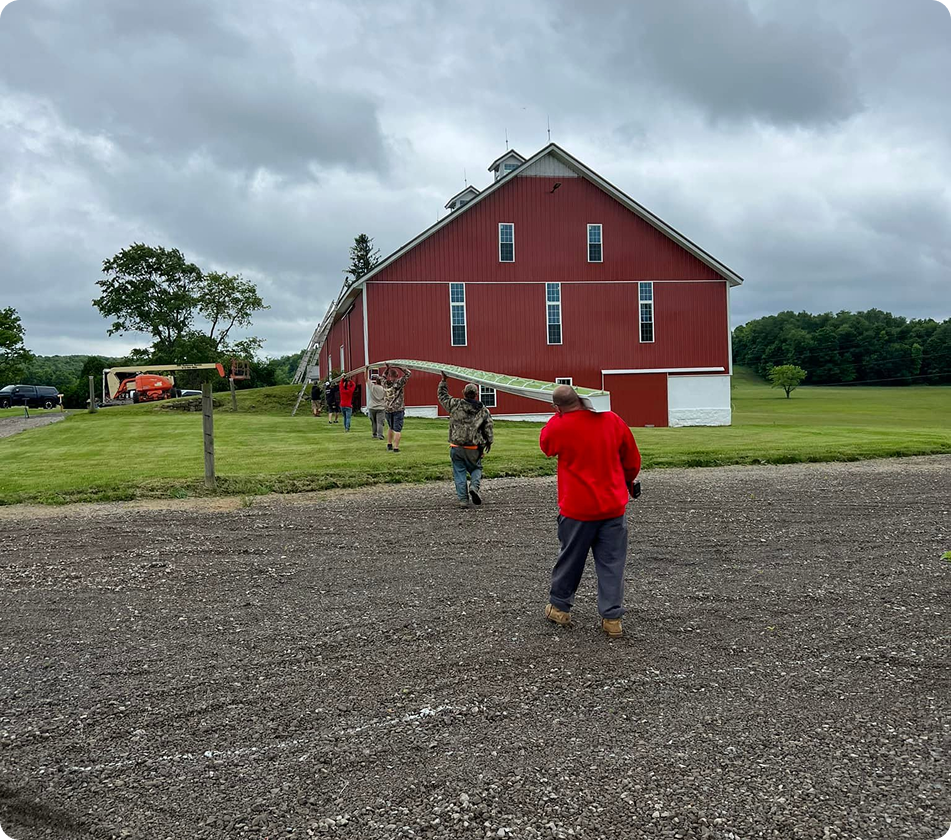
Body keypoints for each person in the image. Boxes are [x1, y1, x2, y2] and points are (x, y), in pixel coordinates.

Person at [539, 384, 641, 639]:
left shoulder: (559, 425)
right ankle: (612, 618)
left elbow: (546, 446)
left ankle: (560, 608)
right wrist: (626, 482)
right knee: (612, 563)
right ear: (583, 400)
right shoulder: (612, 420)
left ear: (558, 407)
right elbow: (632, 460)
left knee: (570, 558)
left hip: (577, 509)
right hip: (612, 506)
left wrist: (557, 415)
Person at [438, 372, 494, 508]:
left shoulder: (455, 405)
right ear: (476, 394)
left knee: (459, 472)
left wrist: (444, 381)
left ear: (463, 392)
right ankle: (474, 487)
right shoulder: (483, 410)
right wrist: (489, 442)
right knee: (476, 469)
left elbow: (442, 396)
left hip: (456, 446)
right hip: (474, 448)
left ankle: (463, 500)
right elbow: (488, 427)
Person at [383, 365, 411, 452]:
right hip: (398, 409)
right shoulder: (398, 383)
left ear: (389, 376)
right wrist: (399, 366)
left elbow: (384, 375)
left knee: (390, 427)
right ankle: (396, 448)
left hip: (388, 409)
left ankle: (389, 444)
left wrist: (387, 368)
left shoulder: (384, 383)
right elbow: (408, 373)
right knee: (397, 429)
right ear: (397, 376)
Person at [366, 374, 387, 440]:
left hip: (372, 407)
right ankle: (380, 435)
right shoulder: (384, 389)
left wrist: (366, 370)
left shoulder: (373, 387)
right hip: (381, 407)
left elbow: (366, 379)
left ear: (376, 381)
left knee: (373, 422)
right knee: (380, 422)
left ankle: (374, 434)